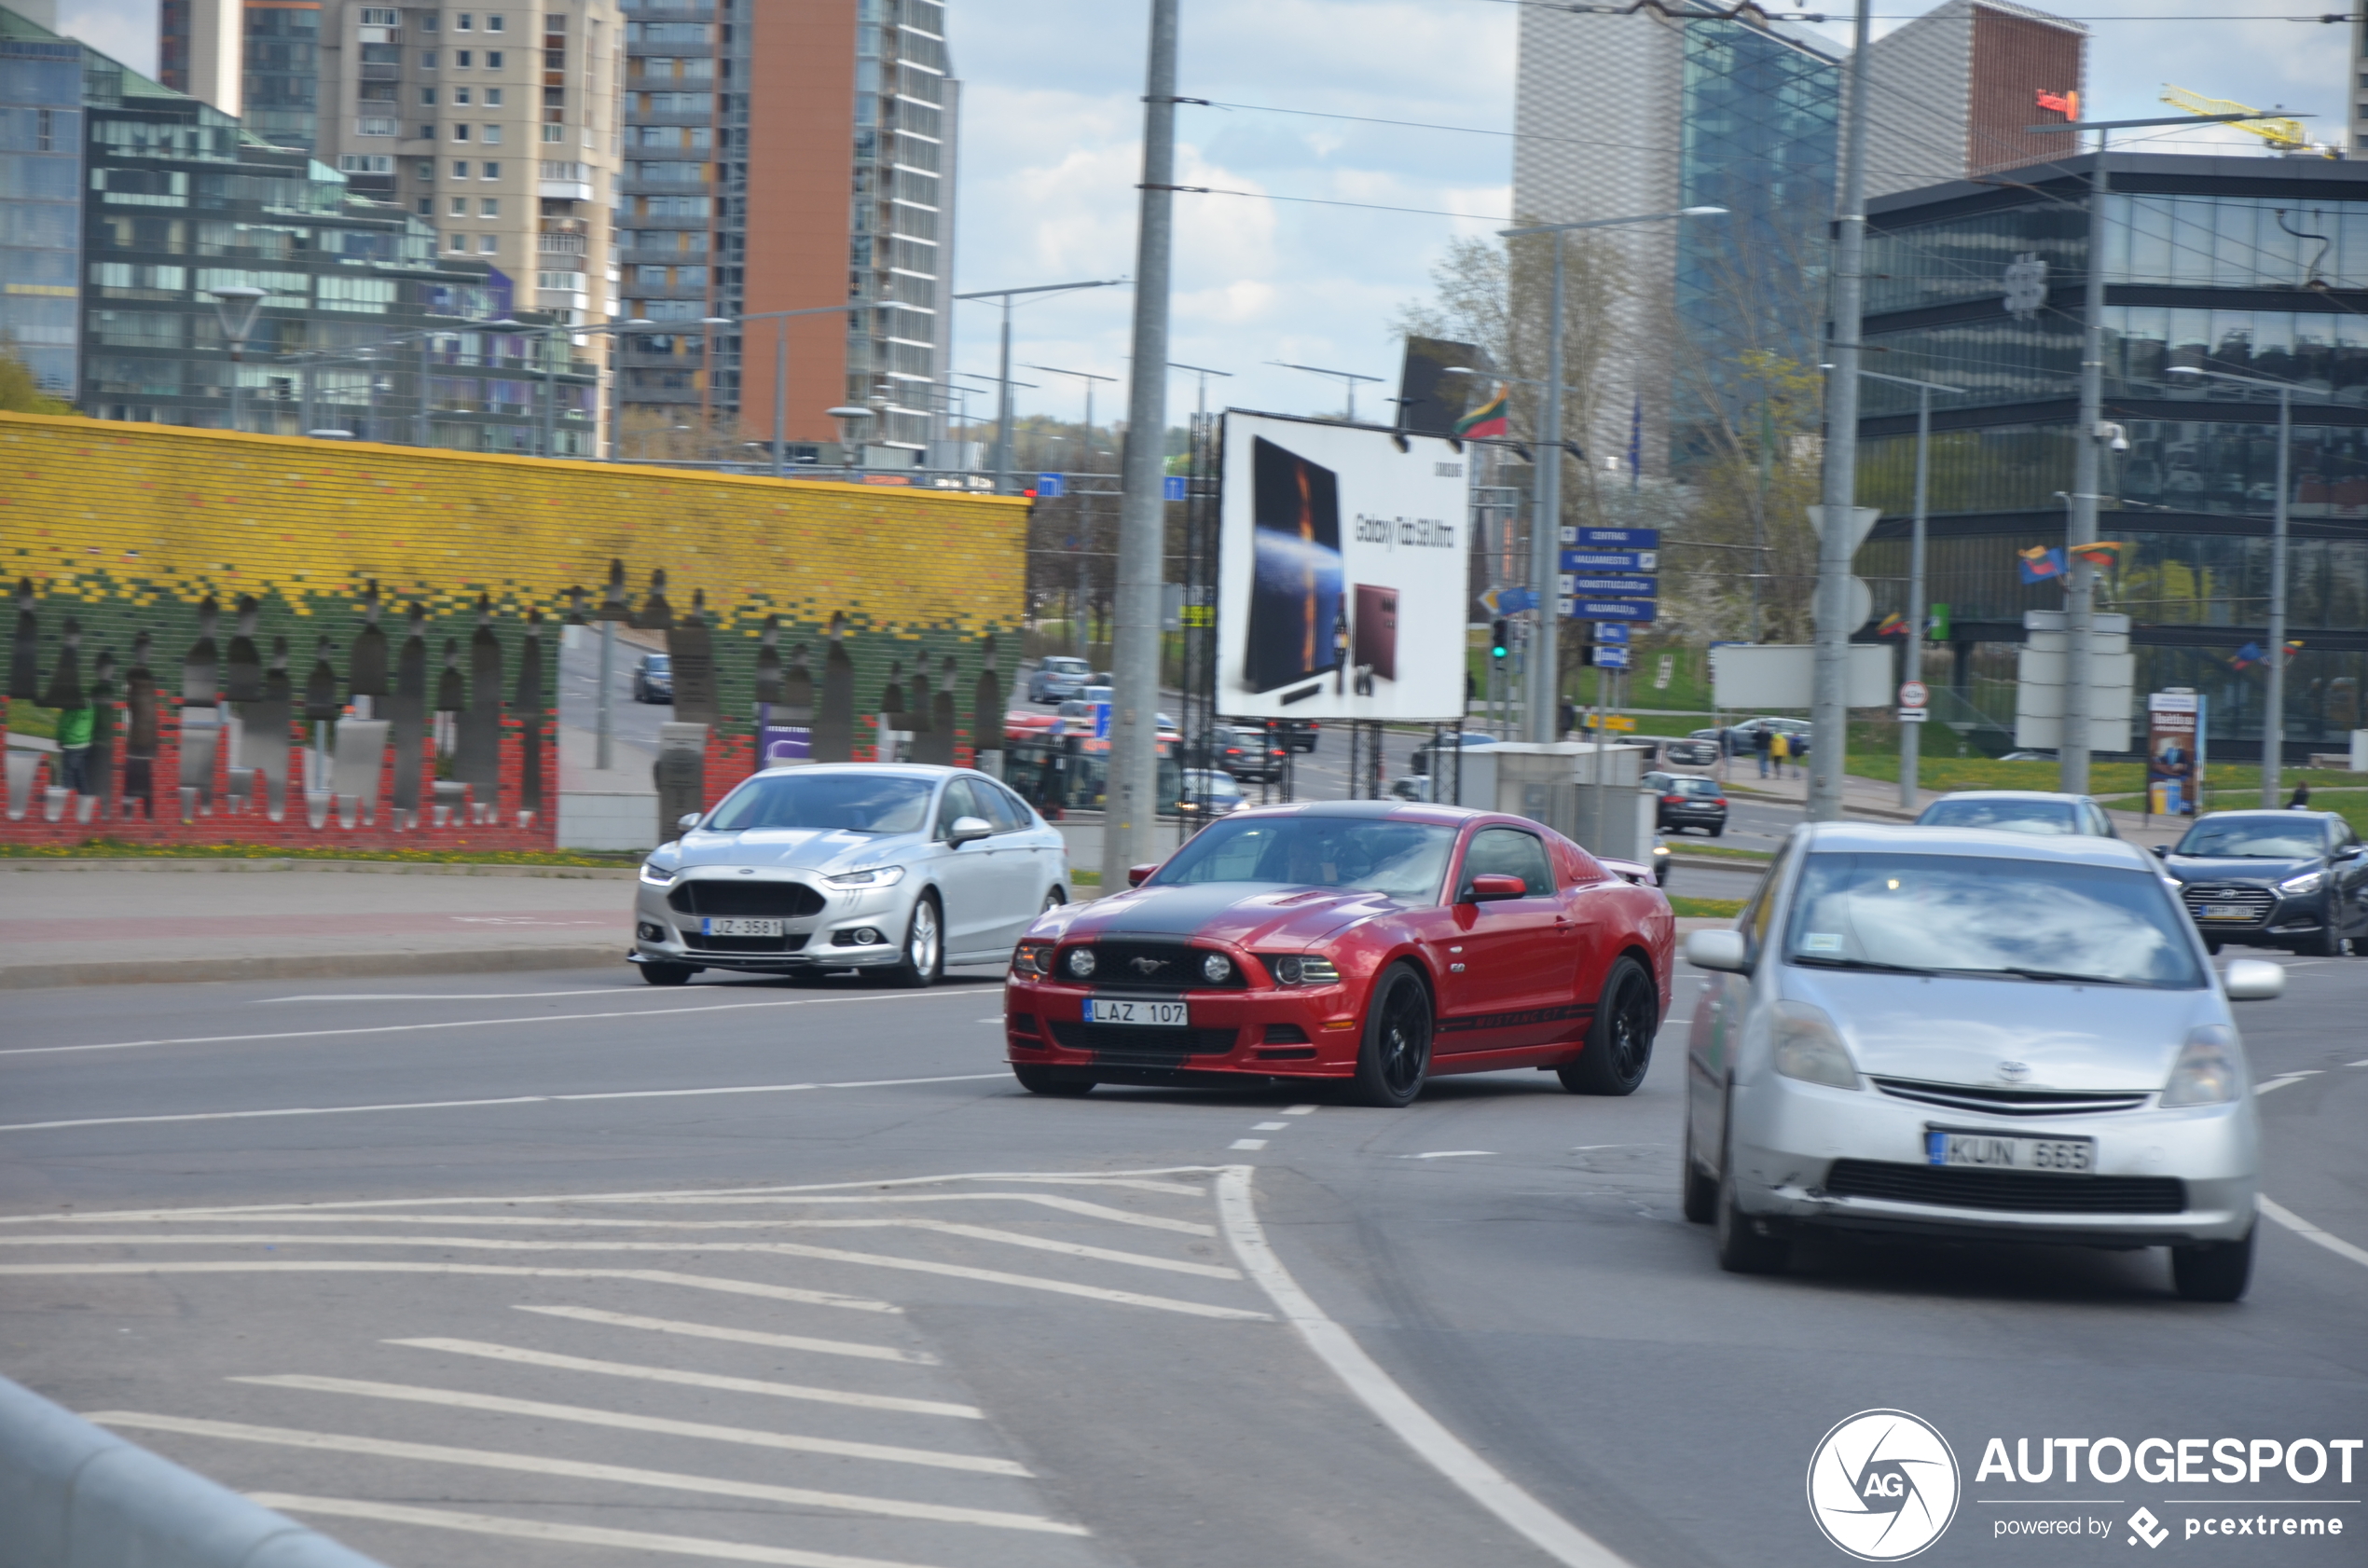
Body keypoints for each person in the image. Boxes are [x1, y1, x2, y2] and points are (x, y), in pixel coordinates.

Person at [55, 702, 95, 795]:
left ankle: (69, 802)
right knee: (81, 776)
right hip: (85, 743)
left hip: (71, 744)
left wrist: (60, 739)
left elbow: (64, 725)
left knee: (67, 776)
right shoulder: (92, 706)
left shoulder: (72, 707)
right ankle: (85, 801)